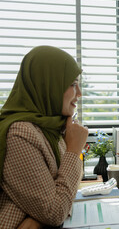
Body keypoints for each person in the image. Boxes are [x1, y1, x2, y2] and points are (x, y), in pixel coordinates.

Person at [0, 46, 88, 228]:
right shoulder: (20, 134)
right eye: (72, 84)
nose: (79, 93)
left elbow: (65, 193)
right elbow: (55, 212)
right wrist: (73, 150)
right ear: (47, 85)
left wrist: (36, 219)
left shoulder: (52, 129)